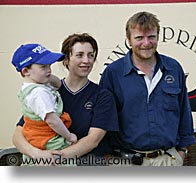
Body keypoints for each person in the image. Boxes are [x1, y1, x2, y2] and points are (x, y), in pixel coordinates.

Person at [100, 11, 196, 166]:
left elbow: (184, 110)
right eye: (139, 38)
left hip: (168, 160)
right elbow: (104, 118)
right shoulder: (113, 73)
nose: (146, 43)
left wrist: (182, 151)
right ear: (129, 40)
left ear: (158, 37)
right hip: (126, 162)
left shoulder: (173, 68)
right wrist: (107, 157)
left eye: (151, 37)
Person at [12, 33, 119, 166]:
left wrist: (55, 159)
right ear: (66, 60)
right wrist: (37, 154)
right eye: (79, 55)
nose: (86, 60)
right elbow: (18, 134)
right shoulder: (45, 92)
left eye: (91, 55)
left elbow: (92, 140)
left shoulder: (102, 96)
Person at [11, 43, 77, 166]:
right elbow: (52, 120)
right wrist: (69, 136)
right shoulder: (39, 93)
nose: (49, 70)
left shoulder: (37, 84)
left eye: (49, 66)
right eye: (43, 67)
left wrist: (45, 75)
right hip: (48, 140)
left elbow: (58, 84)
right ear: (26, 71)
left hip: (40, 137)